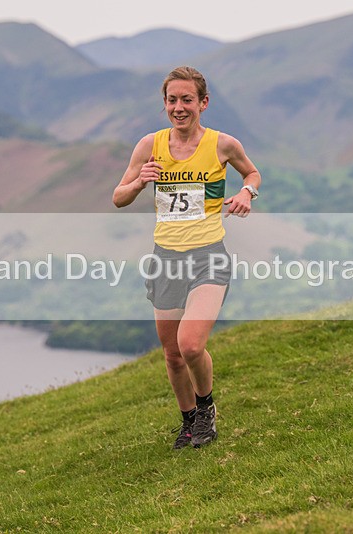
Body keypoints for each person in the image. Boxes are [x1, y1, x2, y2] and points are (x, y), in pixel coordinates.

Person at [113, 66, 261, 449]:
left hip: (208, 256)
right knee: (173, 354)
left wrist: (246, 194)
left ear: (203, 103)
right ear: (164, 104)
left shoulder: (223, 144)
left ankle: (206, 408)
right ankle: (188, 421)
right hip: (166, 259)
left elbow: (252, 174)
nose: (179, 107)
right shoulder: (149, 146)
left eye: (187, 100)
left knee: (191, 345)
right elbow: (118, 197)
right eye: (172, 100)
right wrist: (140, 181)